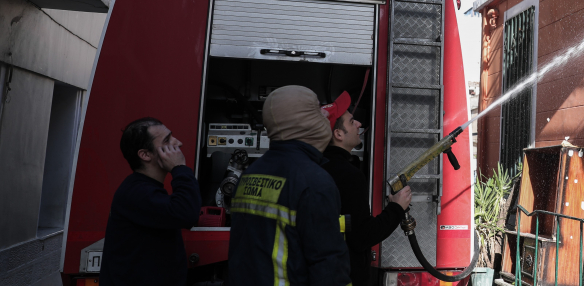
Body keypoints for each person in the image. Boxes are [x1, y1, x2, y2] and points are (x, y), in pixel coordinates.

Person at [228, 86, 351, 286]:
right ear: (305, 122)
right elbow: (328, 266)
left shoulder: (251, 173)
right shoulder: (314, 182)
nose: (325, 115)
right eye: (317, 110)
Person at [321, 92, 412, 286]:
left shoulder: (315, 166)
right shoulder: (349, 175)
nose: (359, 124)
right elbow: (362, 237)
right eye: (352, 121)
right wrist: (396, 208)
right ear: (338, 134)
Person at [100, 117, 201, 286]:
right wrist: (179, 168)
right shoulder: (136, 193)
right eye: (167, 140)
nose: (179, 143)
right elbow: (186, 213)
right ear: (145, 154)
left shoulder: (144, 189)